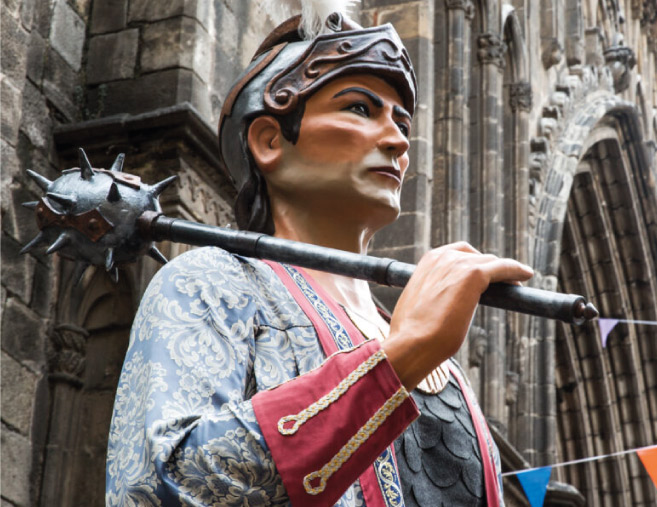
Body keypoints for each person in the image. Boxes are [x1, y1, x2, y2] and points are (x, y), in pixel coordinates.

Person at [105, 8, 533, 507]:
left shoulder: (446, 366)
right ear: (269, 141)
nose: (398, 140)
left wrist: (409, 348)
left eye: (401, 121)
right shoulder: (213, 281)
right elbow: (159, 484)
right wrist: (399, 359)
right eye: (359, 109)